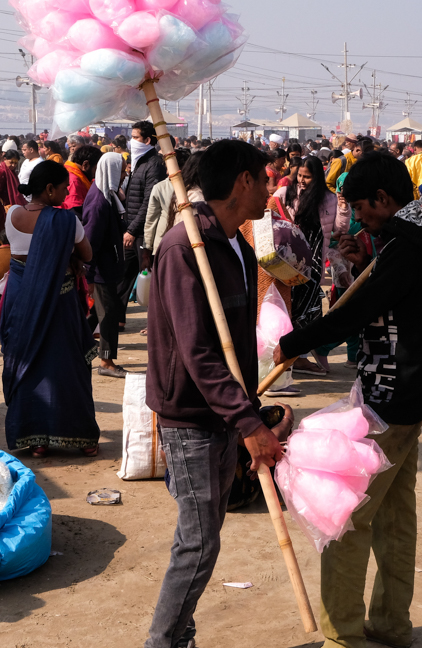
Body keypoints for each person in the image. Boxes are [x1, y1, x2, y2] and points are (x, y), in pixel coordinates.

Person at [273, 151, 422, 648]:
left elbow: (357, 312)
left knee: (347, 518)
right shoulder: (405, 243)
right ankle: (391, 624)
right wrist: (363, 262)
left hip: (389, 404)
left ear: (384, 199)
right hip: (403, 397)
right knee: (395, 518)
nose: (357, 219)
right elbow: (390, 300)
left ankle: (343, 633)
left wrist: (293, 343)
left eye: (362, 209)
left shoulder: (407, 246)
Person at [143, 141, 289, 648]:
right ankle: (163, 642)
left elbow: (235, 341)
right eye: (265, 179)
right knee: (199, 542)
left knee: (202, 537)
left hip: (227, 413)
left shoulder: (236, 245)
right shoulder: (184, 248)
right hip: (192, 417)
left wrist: (248, 410)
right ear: (244, 181)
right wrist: (248, 423)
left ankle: (178, 635)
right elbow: (198, 352)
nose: (270, 188)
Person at [0, 161, 98, 458]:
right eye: (65, 187)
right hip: (59, 302)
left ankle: (36, 440)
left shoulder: (12, 215)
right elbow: (87, 254)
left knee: (28, 365)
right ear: (50, 188)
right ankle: (82, 438)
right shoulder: (66, 221)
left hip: (20, 299)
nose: (68, 192)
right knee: (69, 367)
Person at [273, 155, 338, 382]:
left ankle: (300, 356)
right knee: (288, 308)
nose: (301, 180)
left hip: (314, 263)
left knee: (309, 310)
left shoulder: (329, 199)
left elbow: (339, 228)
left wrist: (344, 207)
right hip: (288, 261)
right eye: (300, 175)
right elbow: (271, 213)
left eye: (307, 177)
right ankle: (290, 356)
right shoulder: (285, 193)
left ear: (317, 178)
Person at [83, 152, 127, 378]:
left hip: (107, 267)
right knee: (107, 314)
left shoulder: (108, 195)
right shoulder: (99, 202)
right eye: (122, 171)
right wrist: (89, 275)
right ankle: (106, 361)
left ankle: (78, 351)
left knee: (97, 313)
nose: (125, 175)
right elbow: (91, 242)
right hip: (101, 270)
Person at [119, 121, 167, 326]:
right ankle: (117, 319)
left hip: (142, 232)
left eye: (136, 137)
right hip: (131, 228)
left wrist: (132, 229)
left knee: (150, 277)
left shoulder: (154, 164)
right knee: (123, 276)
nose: (132, 142)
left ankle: (157, 324)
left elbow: (149, 202)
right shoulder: (138, 162)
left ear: (147, 140)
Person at [63, 144, 101, 215]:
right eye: (97, 168)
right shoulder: (74, 181)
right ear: (85, 165)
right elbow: (75, 211)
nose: (99, 172)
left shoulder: (77, 175)